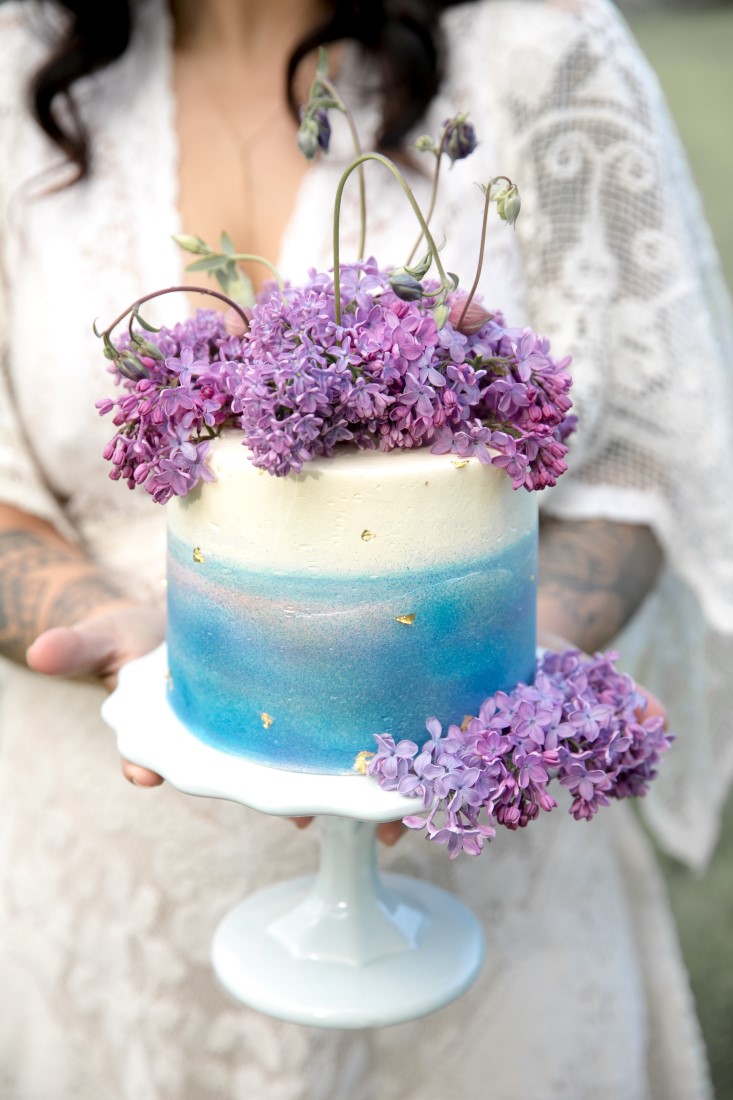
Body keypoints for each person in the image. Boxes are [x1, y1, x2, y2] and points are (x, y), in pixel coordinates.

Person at [0, 0, 730, 1096]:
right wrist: (105, 619)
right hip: (110, 881)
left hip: (484, 887)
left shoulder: (539, 38)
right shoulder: (19, 54)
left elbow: (646, 459)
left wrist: (497, 682)